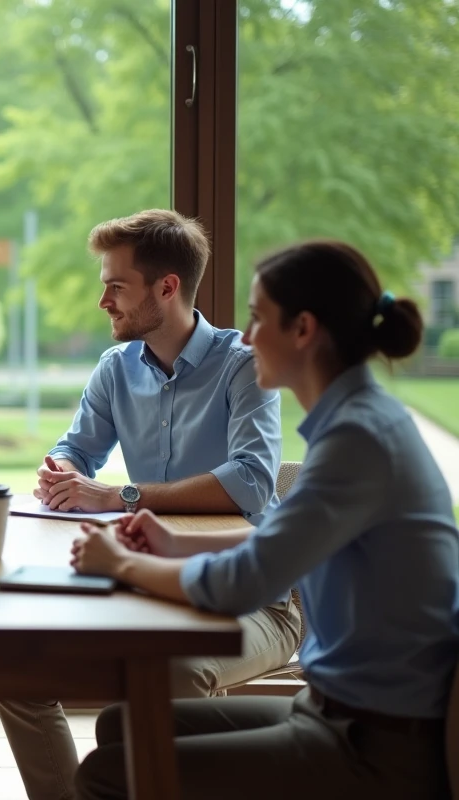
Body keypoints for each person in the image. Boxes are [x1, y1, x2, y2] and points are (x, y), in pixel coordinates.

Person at [71, 240, 459, 800]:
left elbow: (244, 582)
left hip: (373, 745)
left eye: (257, 318)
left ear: (302, 329)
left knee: (105, 775)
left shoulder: (358, 440)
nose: (247, 337)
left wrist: (125, 564)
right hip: (333, 713)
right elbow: (274, 541)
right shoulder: (357, 422)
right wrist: (170, 542)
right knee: (120, 728)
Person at [0, 210, 299, 800]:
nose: (102, 300)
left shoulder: (243, 365)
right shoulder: (116, 368)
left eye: (116, 285)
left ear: (167, 287)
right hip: (145, 581)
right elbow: (76, 449)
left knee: (167, 676)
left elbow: (251, 482)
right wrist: (62, 472)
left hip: (257, 595)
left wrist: (120, 496)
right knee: (16, 672)